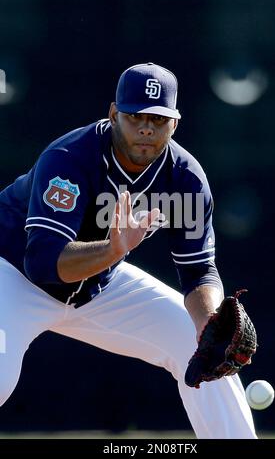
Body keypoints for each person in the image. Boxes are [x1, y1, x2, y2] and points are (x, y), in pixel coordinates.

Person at [0, 62, 256, 439]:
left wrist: (209, 320)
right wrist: (113, 248)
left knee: (204, 349)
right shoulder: (71, 158)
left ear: (175, 123)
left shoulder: (184, 178)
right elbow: (42, 264)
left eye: (158, 118)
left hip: (97, 284)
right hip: (12, 274)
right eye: (135, 116)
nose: (146, 128)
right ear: (114, 114)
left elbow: (199, 271)